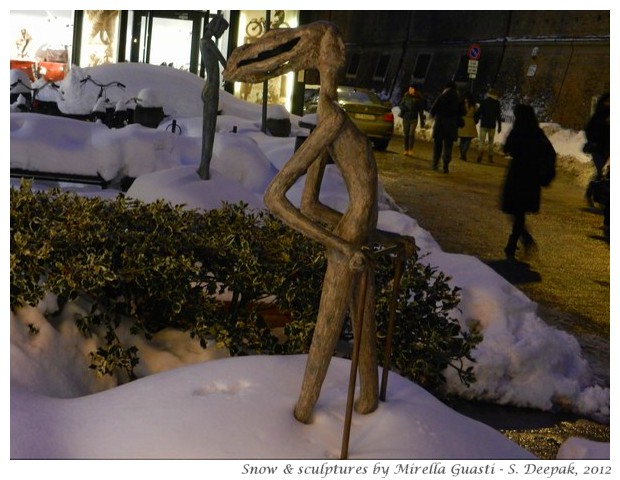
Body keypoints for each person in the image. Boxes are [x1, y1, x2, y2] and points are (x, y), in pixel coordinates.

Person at [501, 104, 555, 259]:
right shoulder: (537, 133)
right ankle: (517, 240)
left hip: (517, 174)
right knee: (520, 211)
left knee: (514, 210)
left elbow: (507, 148)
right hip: (531, 177)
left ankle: (516, 242)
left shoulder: (517, 131)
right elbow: (549, 153)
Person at [429, 81, 464, 173]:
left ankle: (435, 164)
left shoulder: (442, 96)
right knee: (448, 146)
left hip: (440, 125)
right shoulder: (458, 99)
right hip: (451, 126)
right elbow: (463, 112)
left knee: (437, 146)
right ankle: (445, 166)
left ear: (446, 87)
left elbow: (432, 110)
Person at [583, 92, 610, 207]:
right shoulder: (598, 116)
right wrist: (594, 141)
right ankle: (591, 194)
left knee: (605, 173)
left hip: (606, 149)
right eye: (607, 101)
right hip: (596, 148)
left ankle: (599, 196)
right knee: (601, 172)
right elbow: (588, 129)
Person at [475, 87, 502, 163]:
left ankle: (479, 155)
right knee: (491, 142)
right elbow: (499, 116)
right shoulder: (497, 103)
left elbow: (478, 112)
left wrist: (475, 119)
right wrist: (499, 126)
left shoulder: (484, 102)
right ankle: (490, 157)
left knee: (481, 142)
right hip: (492, 126)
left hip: (483, 124)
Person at [398, 84, 426, 156]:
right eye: (409, 88)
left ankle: (410, 149)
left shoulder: (418, 99)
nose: (410, 90)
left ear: (415, 90)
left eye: (412, 89)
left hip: (414, 119)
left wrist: (422, 121)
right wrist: (404, 108)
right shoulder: (405, 97)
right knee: (406, 134)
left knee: (411, 134)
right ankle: (406, 149)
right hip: (406, 118)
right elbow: (401, 104)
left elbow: (421, 110)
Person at [458, 91, 478, 161]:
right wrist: (475, 121)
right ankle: (463, 153)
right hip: (470, 122)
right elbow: (477, 114)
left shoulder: (461, 104)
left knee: (462, 139)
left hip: (462, 121)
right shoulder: (473, 105)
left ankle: (462, 153)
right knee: (468, 140)